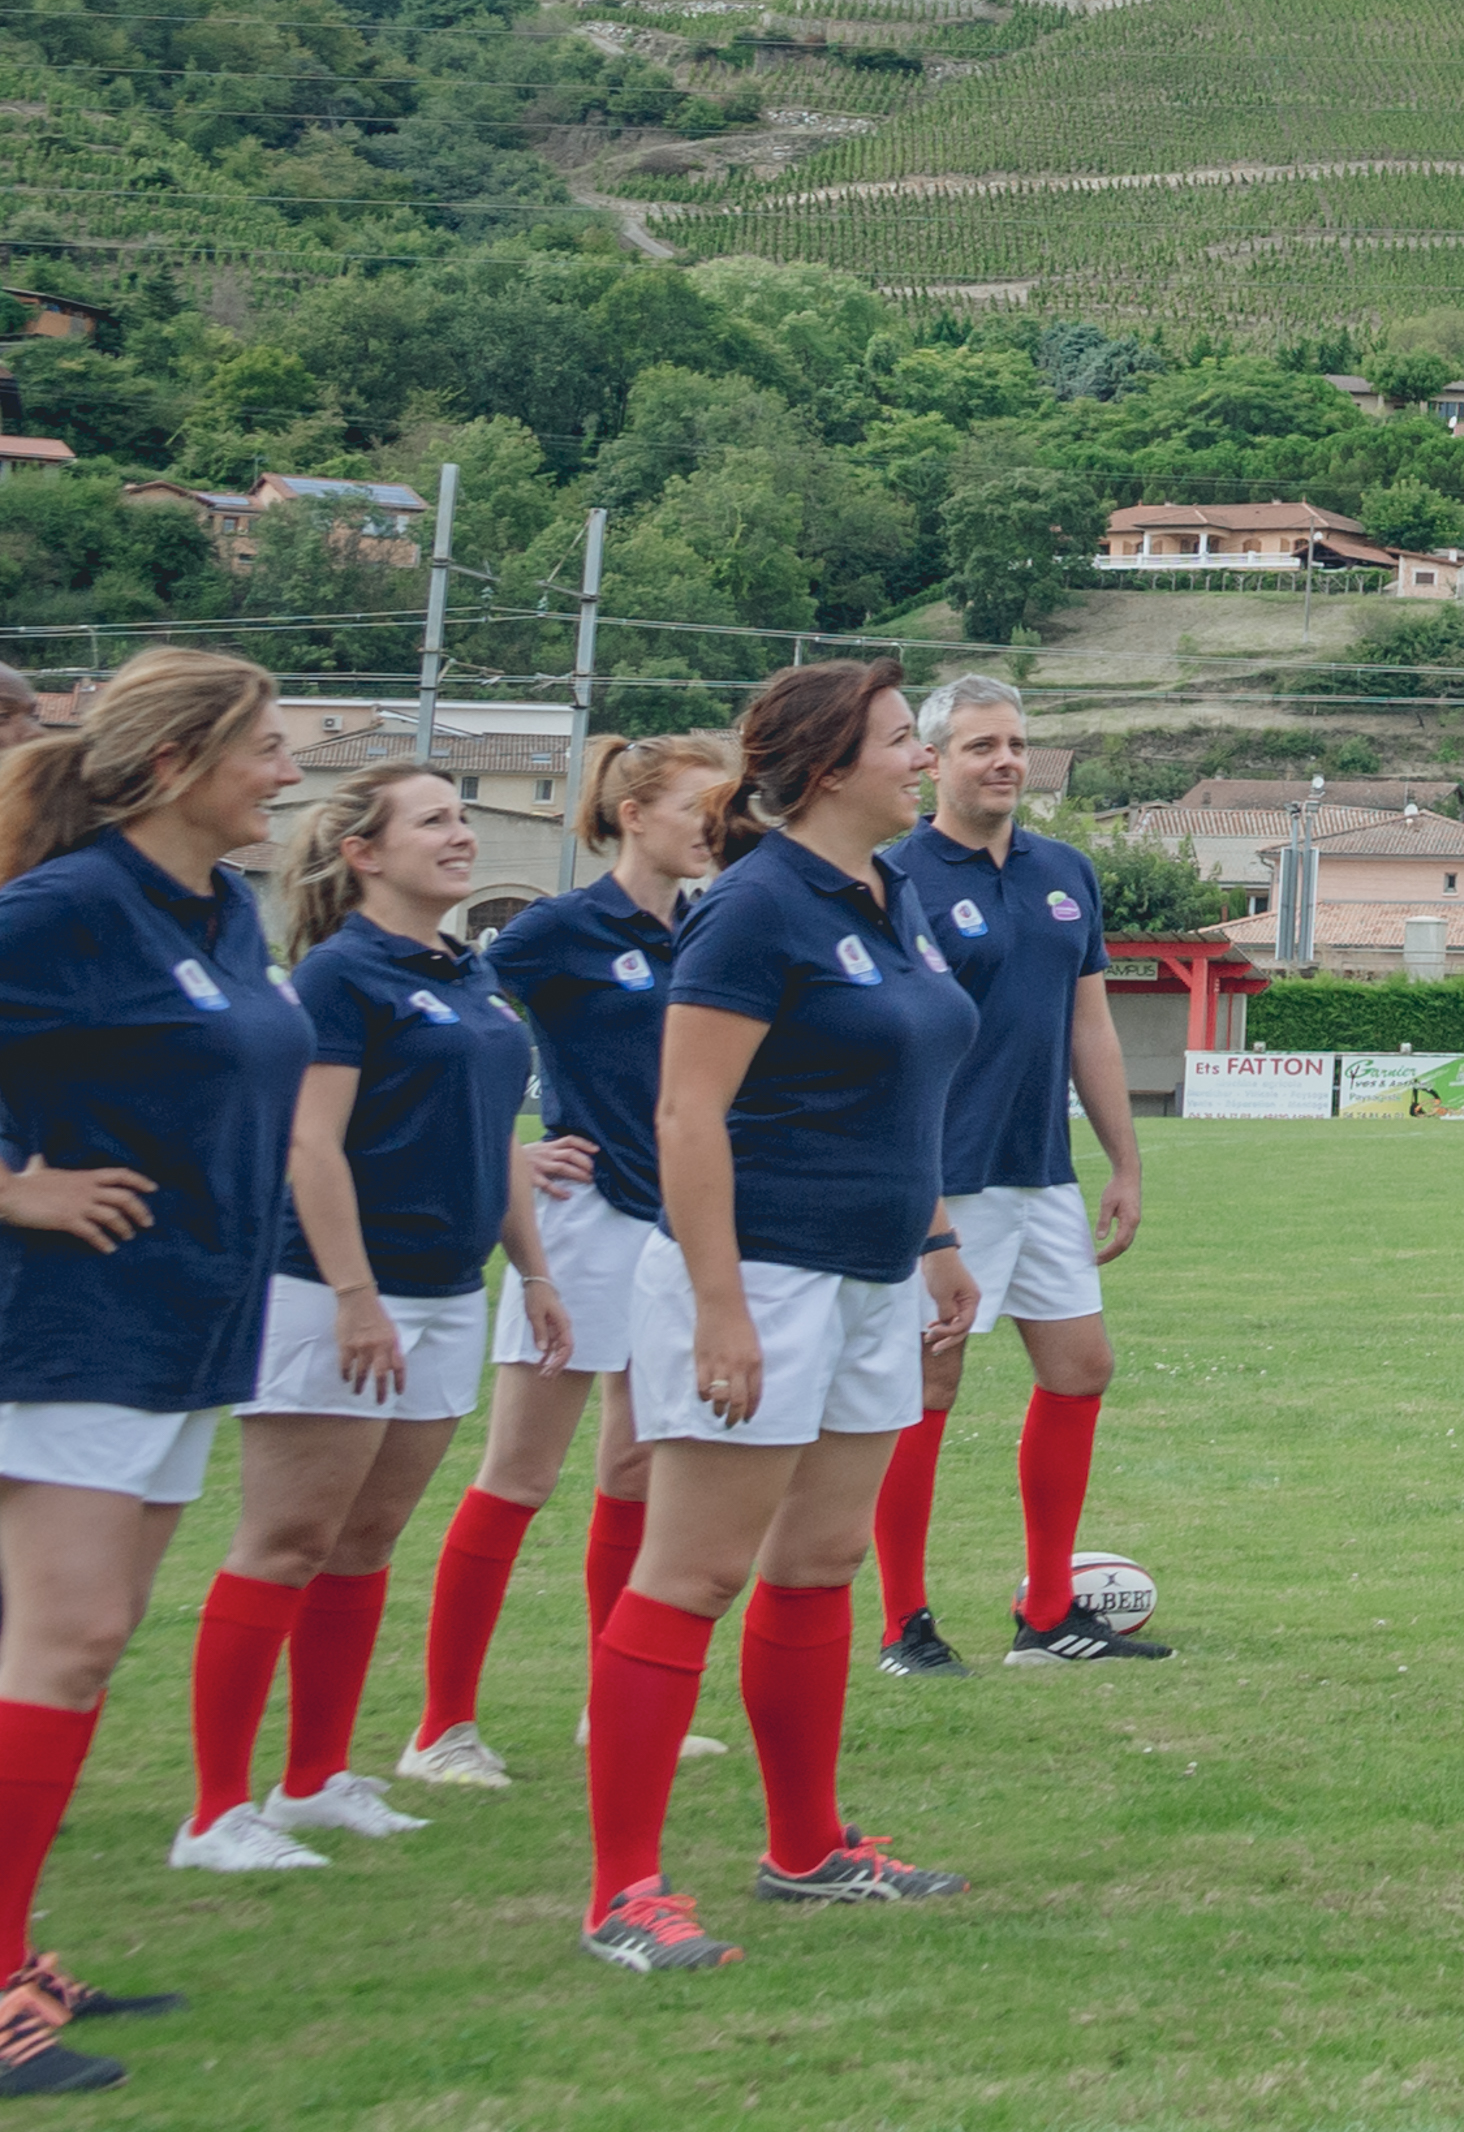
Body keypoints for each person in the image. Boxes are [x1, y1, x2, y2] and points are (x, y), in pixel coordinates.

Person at [579, 663, 982, 1978]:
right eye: (901, 739)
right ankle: (625, 1889)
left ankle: (807, 1847)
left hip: (872, 1275)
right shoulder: (754, 906)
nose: (920, 758)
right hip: (760, 1274)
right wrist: (718, 1306)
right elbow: (687, 1114)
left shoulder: (894, 886)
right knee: (692, 1574)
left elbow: (905, 1082)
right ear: (824, 767)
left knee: (820, 1567)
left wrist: (933, 1243)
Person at [0, 649, 317, 2096]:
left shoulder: (217, 908)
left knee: (88, 1641)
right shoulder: (65, 907)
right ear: (178, 759)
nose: (290, 766)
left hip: (182, 1325)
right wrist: (20, 1189)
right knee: (61, 1644)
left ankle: (14, 1956)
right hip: (72, 1326)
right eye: (265, 743)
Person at [174, 766, 573, 1875]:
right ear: (362, 852)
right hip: (335, 1291)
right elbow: (309, 1146)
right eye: (436, 820)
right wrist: (353, 1296)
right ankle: (215, 1812)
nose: (461, 835)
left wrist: (532, 1273)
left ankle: (314, 1782)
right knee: (286, 1542)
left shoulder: (470, 970)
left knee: (362, 1544)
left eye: (459, 816)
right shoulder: (343, 976)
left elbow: (496, 1133)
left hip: (447, 1290)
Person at [404, 730, 733, 1790]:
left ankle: (614, 1706)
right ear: (632, 815)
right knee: (520, 1472)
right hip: (582, 1223)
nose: (716, 829)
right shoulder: (556, 928)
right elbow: (454, 1030)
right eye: (699, 808)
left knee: (637, 1466)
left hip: (675, 1226)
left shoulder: (711, 928)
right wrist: (508, 1146)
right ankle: (441, 1729)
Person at [869, 674, 1159, 1676]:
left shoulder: (1065, 870)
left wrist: (1121, 1162)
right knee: (925, 1382)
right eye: (981, 745)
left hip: (1043, 1174)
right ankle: (903, 1622)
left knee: (1081, 1369)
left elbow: (1092, 1025)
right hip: (939, 1178)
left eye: (1017, 745)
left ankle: (1046, 1616)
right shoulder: (892, 876)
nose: (1004, 762)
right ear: (934, 760)